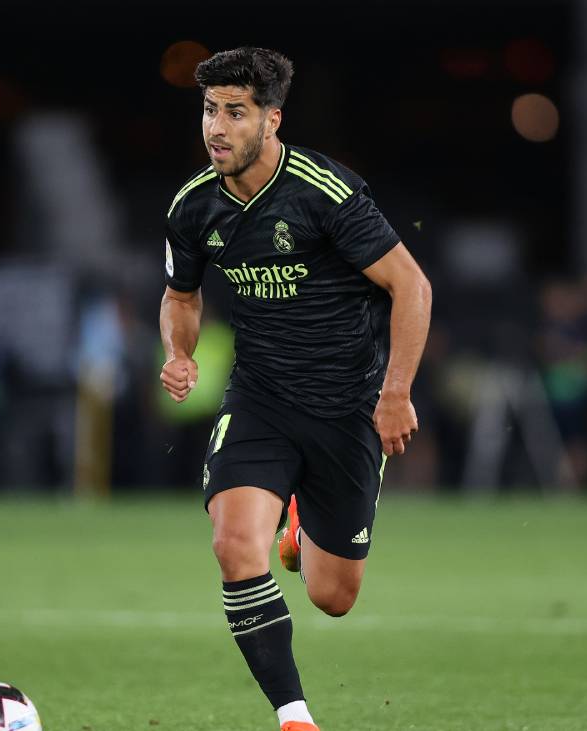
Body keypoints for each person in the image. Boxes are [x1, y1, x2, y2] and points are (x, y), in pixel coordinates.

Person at [158, 48, 432, 731]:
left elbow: (411, 285)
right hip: (261, 400)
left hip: (347, 406)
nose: (216, 127)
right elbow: (180, 295)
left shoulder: (323, 192)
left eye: (235, 112)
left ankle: (303, 519)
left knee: (333, 597)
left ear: (271, 120)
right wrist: (178, 352)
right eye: (209, 110)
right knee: (233, 545)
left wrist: (396, 392)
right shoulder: (193, 206)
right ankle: (294, 715)